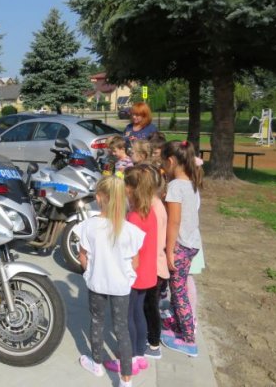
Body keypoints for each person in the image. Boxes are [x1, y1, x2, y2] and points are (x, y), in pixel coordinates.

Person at [77, 176, 145, 387]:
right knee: (121, 329)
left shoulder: (88, 226)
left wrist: (90, 273)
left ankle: (96, 364)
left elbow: (82, 258)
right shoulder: (130, 230)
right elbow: (135, 263)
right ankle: (126, 380)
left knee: (97, 321)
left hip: (97, 282)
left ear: (99, 198)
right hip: (121, 286)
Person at [104, 165, 158, 375]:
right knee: (138, 313)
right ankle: (140, 354)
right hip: (147, 273)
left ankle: (131, 358)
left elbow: (128, 248)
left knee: (126, 318)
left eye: (125, 185)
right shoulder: (150, 212)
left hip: (134, 274)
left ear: (131, 188)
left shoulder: (134, 217)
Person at [160, 140, 202, 357]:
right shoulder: (191, 182)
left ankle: (188, 340)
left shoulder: (175, 186)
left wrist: (169, 251)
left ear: (170, 161)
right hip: (192, 243)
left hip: (181, 246)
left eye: (163, 163)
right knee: (179, 289)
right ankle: (179, 326)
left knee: (178, 293)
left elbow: (174, 221)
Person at [141, 164, 169, 360]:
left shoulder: (154, 208)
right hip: (153, 265)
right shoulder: (154, 203)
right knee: (147, 306)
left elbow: (155, 242)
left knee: (150, 307)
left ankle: (153, 344)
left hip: (154, 267)